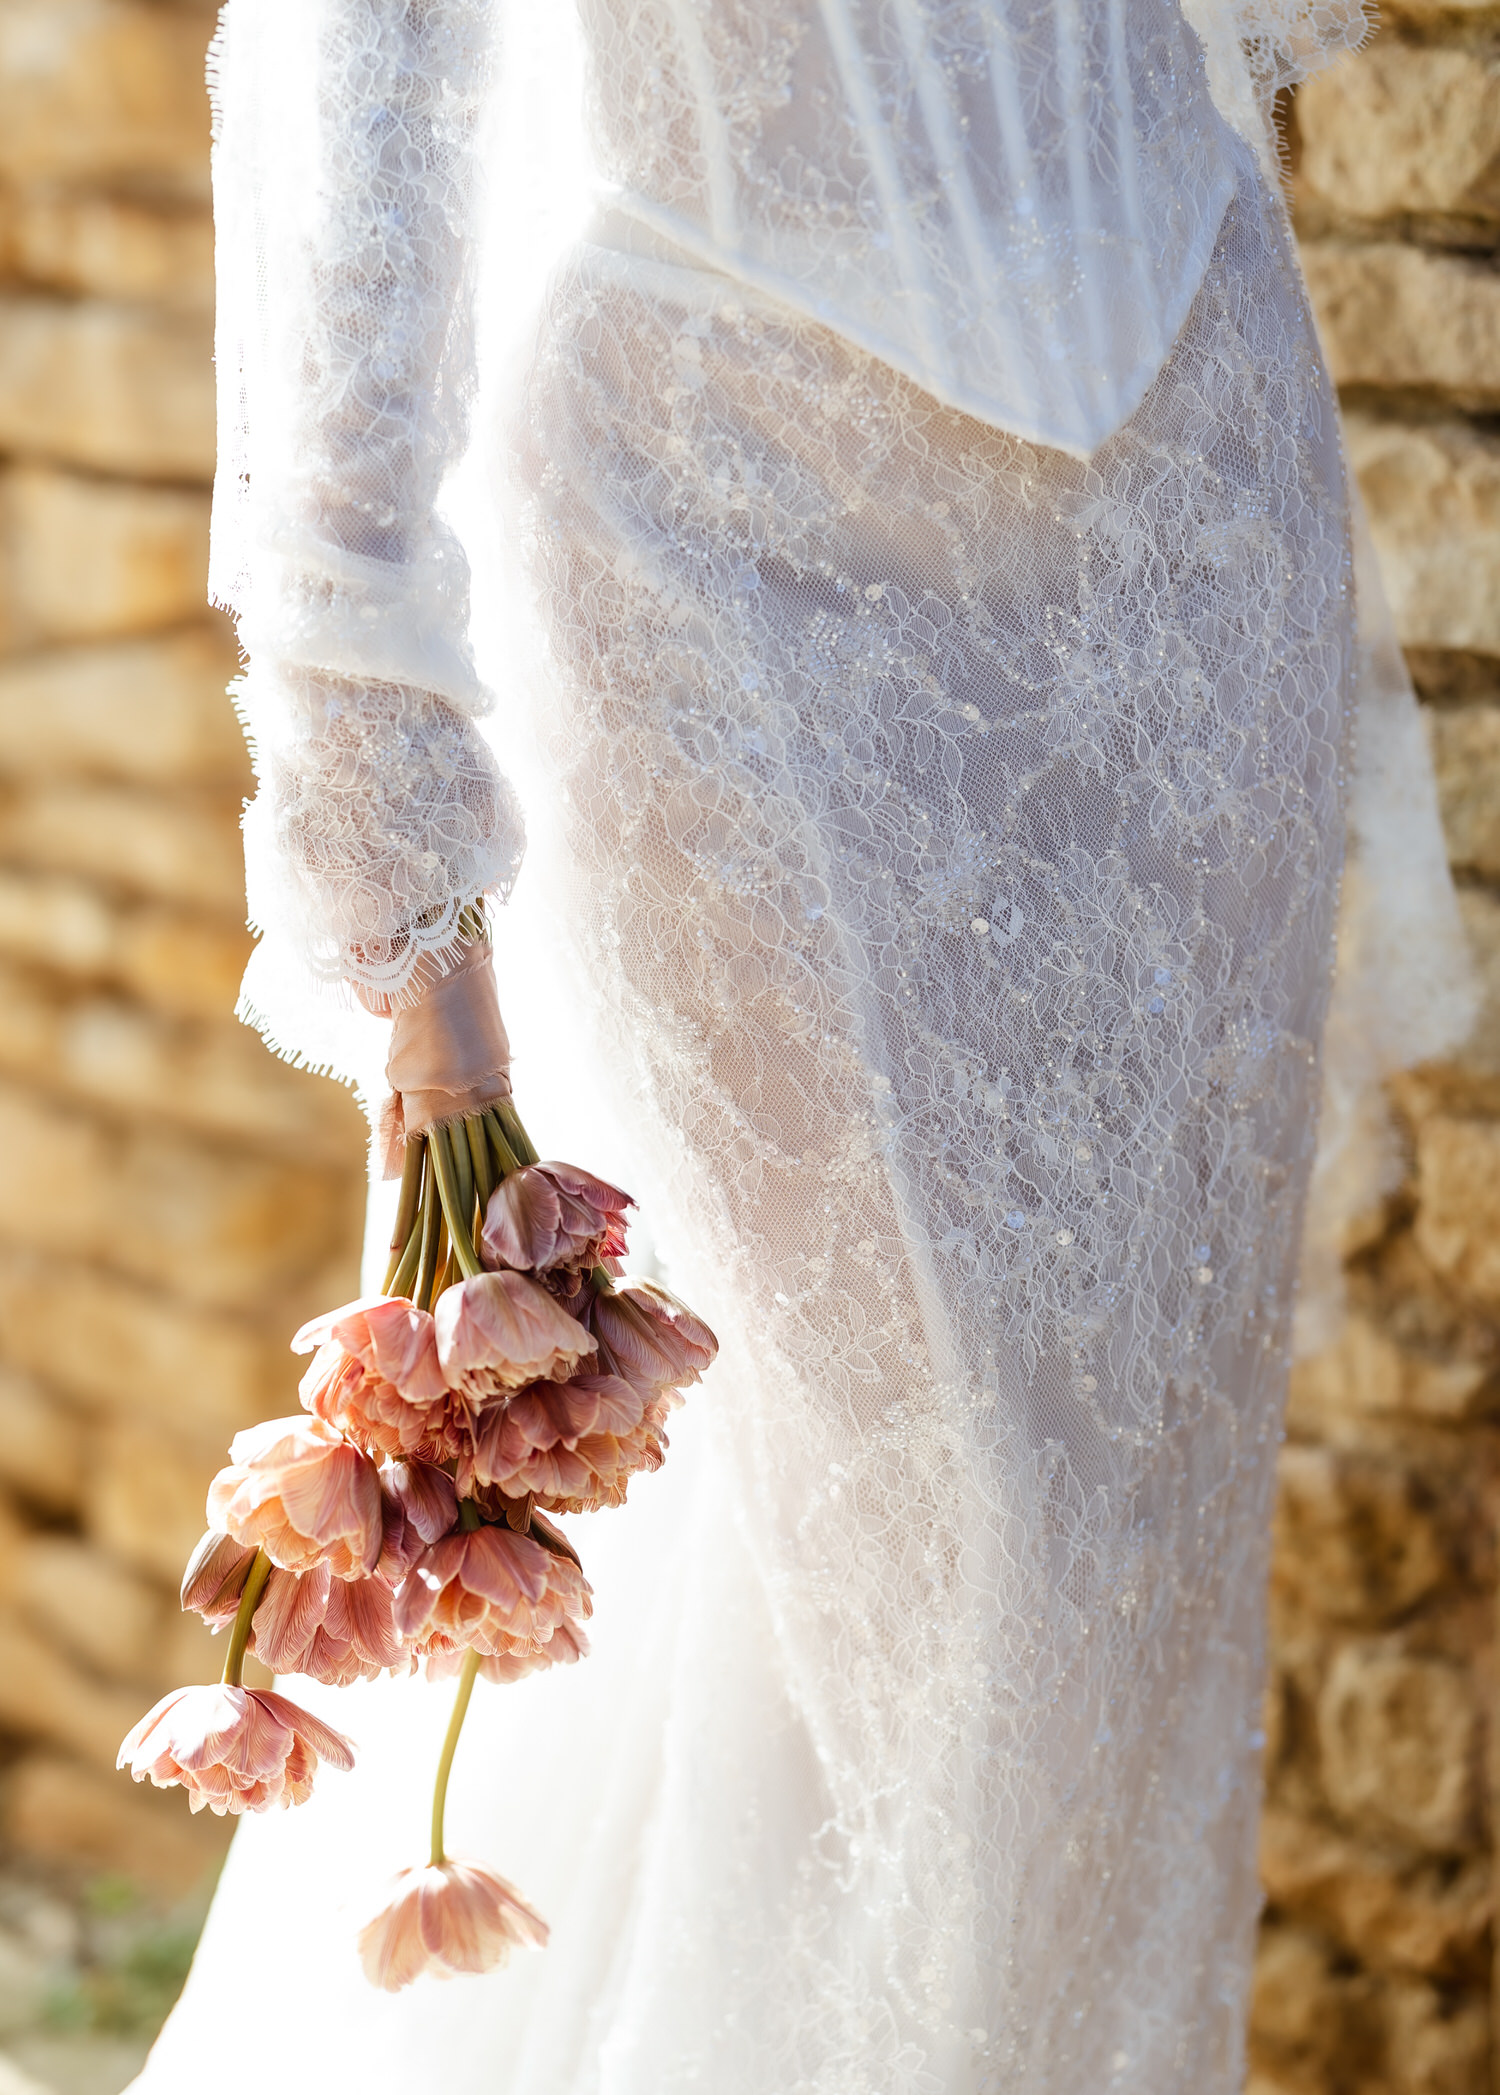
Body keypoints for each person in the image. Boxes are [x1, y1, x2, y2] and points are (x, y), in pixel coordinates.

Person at [129, 1, 1469, 2089]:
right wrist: (406, 880)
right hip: (713, 537)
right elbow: (365, 119)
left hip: (1184, 525)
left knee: (1125, 1561)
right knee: (943, 1538)